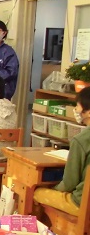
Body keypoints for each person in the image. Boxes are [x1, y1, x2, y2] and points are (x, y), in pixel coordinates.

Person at [33, 86, 90, 216]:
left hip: (81, 203)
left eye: (77, 106)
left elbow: (69, 183)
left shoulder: (81, 140)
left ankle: (47, 229)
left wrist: (53, 189)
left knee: (36, 192)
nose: (75, 110)